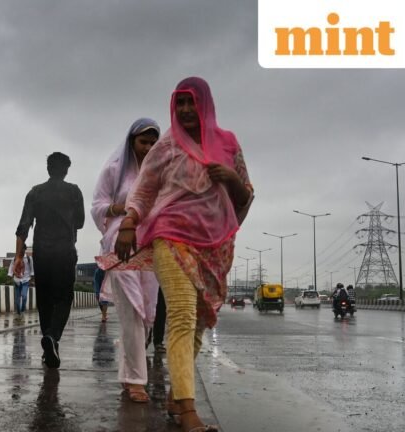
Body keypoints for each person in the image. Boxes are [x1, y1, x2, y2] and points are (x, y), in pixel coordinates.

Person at [115, 77, 253, 431]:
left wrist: (230, 179)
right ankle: (189, 411)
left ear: (205, 104)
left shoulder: (228, 143)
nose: (187, 110)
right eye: (180, 103)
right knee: (181, 315)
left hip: (215, 244)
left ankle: (177, 398)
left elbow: (245, 194)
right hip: (170, 234)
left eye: (192, 102)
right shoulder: (166, 146)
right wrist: (130, 223)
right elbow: (144, 192)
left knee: (200, 321)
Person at [91, 118, 160, 403]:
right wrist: (124, 209)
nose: (148, 148)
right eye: (143, 142)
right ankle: (135, 381)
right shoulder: (113, 171)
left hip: (152, 245)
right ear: (132, 141)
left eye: (153, 143)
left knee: (146, 311)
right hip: (120, 244)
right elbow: (97, 206)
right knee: (132, 308)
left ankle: (129, 371)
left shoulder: (160, 173)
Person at [14, 152, 84, 369]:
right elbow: (80, 222)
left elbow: (23, 227)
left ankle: (49, 344)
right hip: (65, 252)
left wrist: (18, 257)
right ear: (66, 170)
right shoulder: (74, 191)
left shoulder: (35, 192)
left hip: (42, 253)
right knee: (63, 297)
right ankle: (53, 338)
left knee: (44, 299)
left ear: (48, 169)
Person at [7, 246, 34, 317]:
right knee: (17, 299)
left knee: (24, 296)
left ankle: (22, 310)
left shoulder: (28, 258)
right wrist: (10, 275)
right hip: (17, 280)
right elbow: (11, 267)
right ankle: (18, 313)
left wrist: (32, 277)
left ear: (25, 250)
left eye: (22, 249)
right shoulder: (15, 258)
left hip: (26, 280)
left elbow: (32, 269)